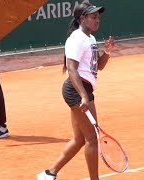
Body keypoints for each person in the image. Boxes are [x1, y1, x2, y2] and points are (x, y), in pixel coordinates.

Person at [37, 1, 115, 179]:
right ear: (82, 18)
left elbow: (98, 67)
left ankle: (49, 173)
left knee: (80, 139)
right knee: (92, 138)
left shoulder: (90, 38)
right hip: (77, 90)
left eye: (98, 17)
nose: (97, 20)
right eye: (93, 17)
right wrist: (83, 97)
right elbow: (71, 68)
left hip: (82, 90)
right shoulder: (76, 39)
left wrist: (108, 52)